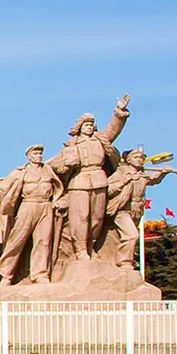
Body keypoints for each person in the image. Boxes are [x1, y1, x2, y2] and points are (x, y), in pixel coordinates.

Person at [48, 95, 129, 262]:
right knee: (80, 218)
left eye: (91, 125)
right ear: (79, 127)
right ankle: (80, 250)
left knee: (97, 218)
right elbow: (53, 166)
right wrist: (67, 164)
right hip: (79, 182)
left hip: (99, 180)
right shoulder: (71, 146)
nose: (89, 127)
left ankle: (91, 247)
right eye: (86, 124)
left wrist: (119, 112)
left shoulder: (101, 140)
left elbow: (113, 129)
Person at [0, 145, 65, 286]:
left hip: (45, 206)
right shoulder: (20, 172)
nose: (39, 156)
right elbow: (2, 189)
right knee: (17, 240)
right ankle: (6, 275)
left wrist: (57, 200)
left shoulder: (48, 170)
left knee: (43, 241)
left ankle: (40, 274)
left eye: (40, 153)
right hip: (28, 205)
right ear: (29, 156)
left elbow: (58, 187)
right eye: (36, 153)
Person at [105, 148, 177, 269]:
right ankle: (124, 262)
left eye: (141, 158)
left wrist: (163, 173)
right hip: (122, 209)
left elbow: (153, 180)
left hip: (136, 209)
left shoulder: (142, 173)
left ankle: (115, 260)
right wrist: (122, 182)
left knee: (123, 237)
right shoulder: (120, 173)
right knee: (131, 235)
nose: (139, 160)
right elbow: (106, 190)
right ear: (128, 160)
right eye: (136, 157)